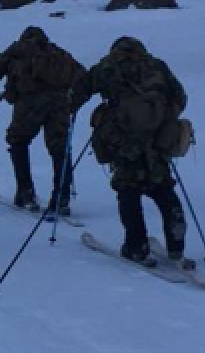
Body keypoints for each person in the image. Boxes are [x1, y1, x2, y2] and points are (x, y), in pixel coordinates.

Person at [73, 36, 190, 266]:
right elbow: (180, 96)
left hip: (123, 140)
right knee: (162, 187)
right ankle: (176, 246)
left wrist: (71, 105)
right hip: (157, 139)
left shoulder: (107, 67)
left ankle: (137, 247)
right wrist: (163, 119)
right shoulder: (157, 66)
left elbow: (81, 89)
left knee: (128, 190)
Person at [0, 26, 86, 214]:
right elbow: (82, 76)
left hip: (29, 103)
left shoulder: (18, 50)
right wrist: (74, 103)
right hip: (59, 105)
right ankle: (62, 198)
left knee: (18, 140)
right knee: (59, 147)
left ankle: (26, 191)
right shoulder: (57, 52)